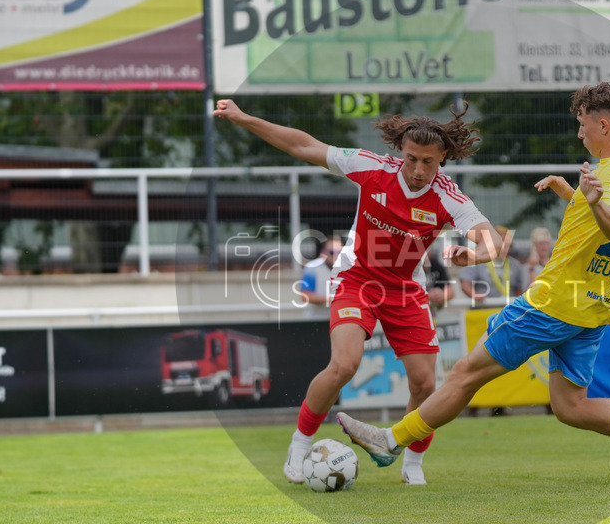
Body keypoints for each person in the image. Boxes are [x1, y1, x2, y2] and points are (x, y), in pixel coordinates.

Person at [336, 82, 610, 485]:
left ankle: (390, 441)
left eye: (582, 125)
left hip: (552, 302)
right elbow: (608, 221)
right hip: (593, 306)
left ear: (604, 124)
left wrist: (590, 200)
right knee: (570, 406)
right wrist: (575, 196)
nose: (580, 134)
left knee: (466, 372)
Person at [214, 99, 503, 486]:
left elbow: (494, 241)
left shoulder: (448, 196)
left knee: (425, 384)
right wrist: (243, 118)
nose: (418, 170)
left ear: (443, 158)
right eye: (411, 159)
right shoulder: (372, 168)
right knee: (344, 365)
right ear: (400, 151)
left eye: (428, 162)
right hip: (357, 280)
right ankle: (300, 443)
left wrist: (476, 255)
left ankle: (411, 464)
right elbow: (304, 146)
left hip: (405, 289)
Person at [459, 225, 528, 304]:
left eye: (507, 245)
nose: (505, 248)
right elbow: (465, 283)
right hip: (483, 309)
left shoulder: (516, 265)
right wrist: (474, 295)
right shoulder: (477, 260)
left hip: (508, 311)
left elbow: (519, 289)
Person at [297, 236, 342, 306]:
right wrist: (332, 300)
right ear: (323, 253)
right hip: (317, 316)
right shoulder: (312, 268)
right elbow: (305, 296)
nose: (336, 255)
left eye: (340, 252)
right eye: (332, 252)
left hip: (339, 315)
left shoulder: (347, 268)